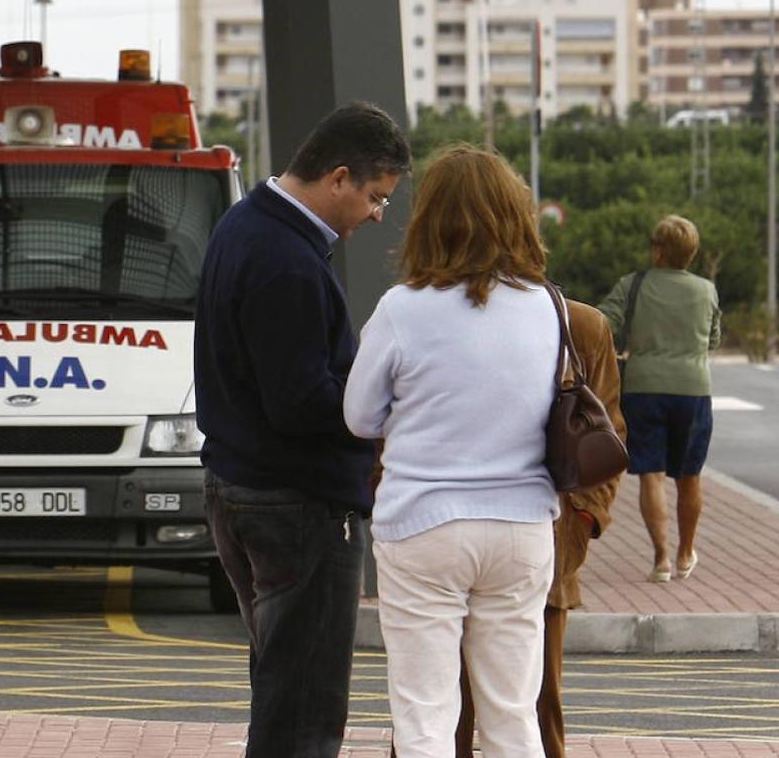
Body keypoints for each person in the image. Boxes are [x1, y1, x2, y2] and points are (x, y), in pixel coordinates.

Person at [194, 101, 411, 757]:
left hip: (240, 484)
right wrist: (381, 410)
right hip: (298, 504)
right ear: (338, 177)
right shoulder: (285, 260)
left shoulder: (243, 226)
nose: (377, 215)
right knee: (307, 708)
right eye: (375, 197)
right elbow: (300, 402)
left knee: (281, 682)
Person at [343, 143, 559, 758]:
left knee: (425, 715)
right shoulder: (545, 306)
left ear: (429, 218)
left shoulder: (403, 309)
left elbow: (359, 418)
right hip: (521, 525)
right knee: (513, 714)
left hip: (424, 525)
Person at [455, 299, 626, 758]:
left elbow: (609, 432)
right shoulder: (441, 315)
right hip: (449, 537)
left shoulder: (582, 326)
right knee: (441, 710)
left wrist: (586, 520)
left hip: (549, 537)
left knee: (536, 706)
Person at [597, 215, 720, 583]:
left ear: (657, 250)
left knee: (651, 473)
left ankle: (661, 560)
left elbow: (603, 322)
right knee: (689, 475)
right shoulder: (706, 290)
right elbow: (713, 339)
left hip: (643, 388)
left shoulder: (633, 284)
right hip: (693, 390)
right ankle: (686, 553)